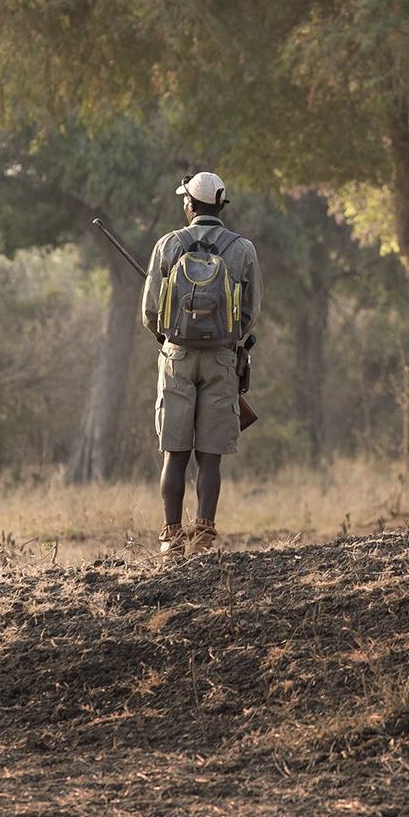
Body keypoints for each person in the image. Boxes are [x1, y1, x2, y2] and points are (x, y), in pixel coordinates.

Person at [140, 171, 260, 556]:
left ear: (189, 204)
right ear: (221, 205)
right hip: (223, 360)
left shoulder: (168, 245)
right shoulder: (243, 249)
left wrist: (171, 336)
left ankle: (171, 539)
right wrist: (225, 338)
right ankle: (204, 536)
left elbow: (149, 312)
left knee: (175, 453)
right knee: (210, 455)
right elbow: (251, 313)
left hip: (176, 357)